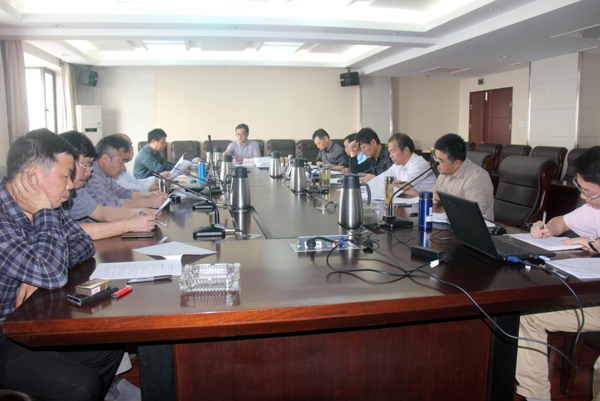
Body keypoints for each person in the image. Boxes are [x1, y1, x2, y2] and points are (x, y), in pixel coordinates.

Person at [0, 129, 123, 400]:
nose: (70, 185)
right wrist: (44, 217)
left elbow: (83, 243)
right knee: (82, 386)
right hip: (5, 333)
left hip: (31, 320)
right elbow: (51, 272)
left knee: (109, 346)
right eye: (65, 176)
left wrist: (38, 272)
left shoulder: (53, 205)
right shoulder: (17, 212)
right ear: (33, 176)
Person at [516, 146, 600, 401]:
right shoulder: (594, 208)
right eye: (581, 189)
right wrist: (548, 228)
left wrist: (596, 243)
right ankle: (536, 397)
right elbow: (562, 221)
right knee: (527, 317)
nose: (583, 197)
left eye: (589, 193)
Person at [60, 131, 157, 240]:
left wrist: (139, 212)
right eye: (84, 165)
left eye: (89, 165)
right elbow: (70, 231)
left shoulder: (77, 191)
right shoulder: (88, 179)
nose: (88, 173)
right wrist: (128, 224)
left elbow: (101, 211)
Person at [85, 135, 168, 208]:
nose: (123, 167)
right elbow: (110, 205)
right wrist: (148, 202)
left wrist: (148, 195)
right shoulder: (92, 175)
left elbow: (122, 193)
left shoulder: (104, 173)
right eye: (121, 162)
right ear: (105, 159)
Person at [431, 133, 494, 220]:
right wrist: (435, 197)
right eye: (435, 158)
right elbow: (434, 195)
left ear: (456, 163)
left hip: (471, 225)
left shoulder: (476, 177)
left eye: (440, 161)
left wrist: (444, 201)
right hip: (447, 221)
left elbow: (474, 213)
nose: (436, 164)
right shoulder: (444, 173)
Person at [366, 133, 436, 199]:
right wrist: (374, 181)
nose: (390, 156)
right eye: (390, 152)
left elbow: (403, 187)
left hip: (427, 204)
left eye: (393, 151)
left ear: (406, 150)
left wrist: (377, 180)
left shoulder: (419, 164)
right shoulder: (398, 165)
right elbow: (384, 179)